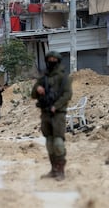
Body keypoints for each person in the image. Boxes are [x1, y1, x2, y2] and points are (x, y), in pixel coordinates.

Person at [31, 51, 72, 181]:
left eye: (54, 59)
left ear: (58, 61)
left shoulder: (63, 77)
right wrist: (38, 88)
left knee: (58, 142)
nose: (51, 61)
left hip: (58, 114)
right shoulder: (43, 77)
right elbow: (33, 95)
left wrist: (57, 106)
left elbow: (67, 94)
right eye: (50, 59)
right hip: (45, 113)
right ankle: (53, 169)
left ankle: (61, 170)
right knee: (49, 142)